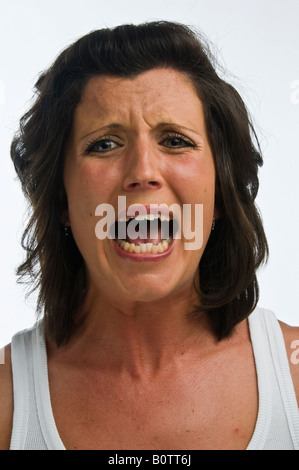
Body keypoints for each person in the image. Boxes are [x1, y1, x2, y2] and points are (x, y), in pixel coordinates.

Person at [1, 21, 298, 450]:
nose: (142, 172)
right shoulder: (7, 400)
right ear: (61, 200)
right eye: (104, 144)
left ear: (220, 190)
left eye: (175, 140)